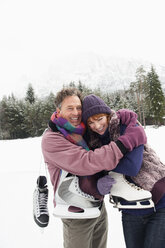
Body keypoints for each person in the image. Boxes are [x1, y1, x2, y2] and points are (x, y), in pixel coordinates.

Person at [41, 88, 146, 248]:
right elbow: (86, 162)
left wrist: (122, 117)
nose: (76, 112)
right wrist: (124, 144)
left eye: (78, 108)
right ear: (59, 110)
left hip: (97, 206)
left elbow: (102, 120)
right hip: (75, 212)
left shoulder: (83, 131)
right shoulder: (53, 139)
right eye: (70, 108)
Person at [82, 94, 165, 248]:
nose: (97, 126)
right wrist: (99, 181)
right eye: (91, 122)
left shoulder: (127, 126)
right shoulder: (93, 143)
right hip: (130, 209)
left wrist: (98, 162)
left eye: (99, 119)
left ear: (107, 115)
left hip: (160, 201)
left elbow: (132, 166)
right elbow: (92, 172)